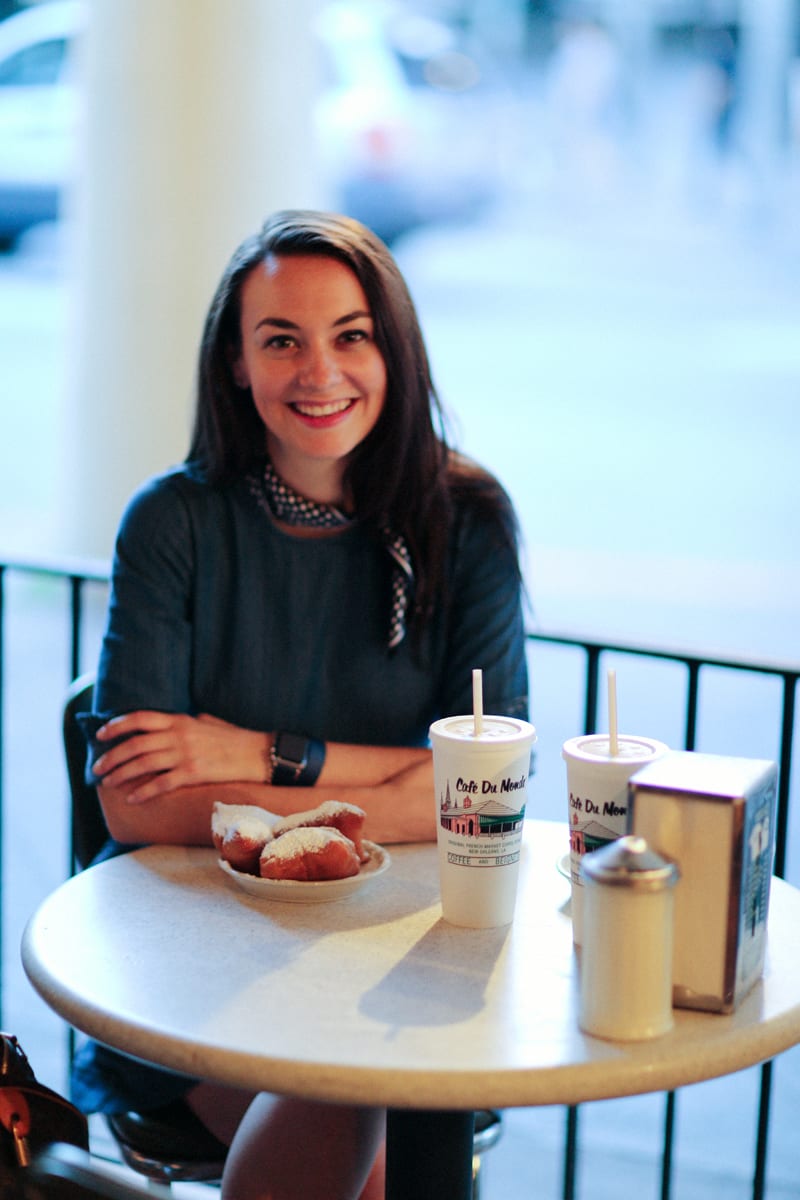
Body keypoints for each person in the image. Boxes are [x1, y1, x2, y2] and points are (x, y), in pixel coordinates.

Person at [75, 209, 529, 1200]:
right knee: (353, 1094)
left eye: (349, 335)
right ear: (237, 364)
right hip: (189, 946)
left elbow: (487, 790)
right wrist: (395, 782)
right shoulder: (172, 523)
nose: (319, 372)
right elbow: (134, 808)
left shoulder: (468, 524)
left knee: (364, 1071)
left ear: (391, 351)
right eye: (280, 339)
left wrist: (258, 755)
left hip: (392, 941)